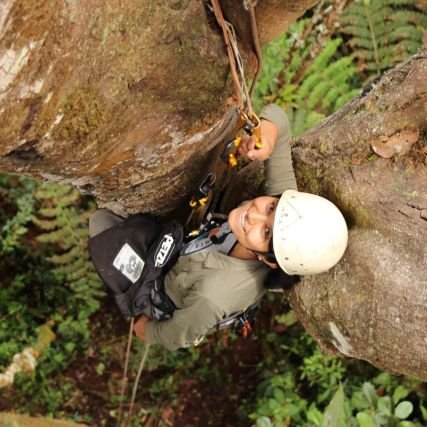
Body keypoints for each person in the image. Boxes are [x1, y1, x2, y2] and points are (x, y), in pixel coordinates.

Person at [89, 104, 348, 350]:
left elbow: (177, 334)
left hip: (160, 288)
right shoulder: (285, 217)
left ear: (269, 261)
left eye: (265, 232)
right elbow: (278, 118)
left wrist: (145, 330)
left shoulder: (213, 294)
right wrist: (265, 141)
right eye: (270, 208)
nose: (254, 216)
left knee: (101, 225)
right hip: (181, 246)